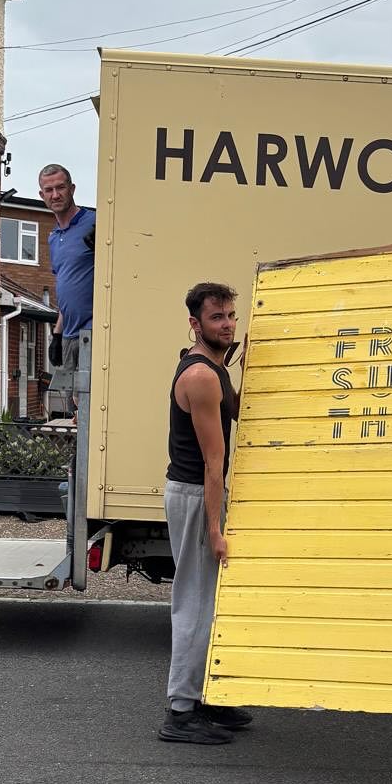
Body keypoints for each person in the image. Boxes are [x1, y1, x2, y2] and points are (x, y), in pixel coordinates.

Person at [159, 282, 252, 744]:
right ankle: (180, 712)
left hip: (201, 491)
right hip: (197, 494)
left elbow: (236, 411)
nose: (228, 324)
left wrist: (241, 360)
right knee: (194, 599)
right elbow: (213, 464)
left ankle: (207, 697)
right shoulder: (200, 376)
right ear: (196, 324)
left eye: (232, 315)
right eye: (217, 318)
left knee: (211, 600)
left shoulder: (215, 368)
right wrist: (215, 530)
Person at [39, 163, 95, 415]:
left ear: (72, 189)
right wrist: (57, 334)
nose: (55, 195)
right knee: (76, 405)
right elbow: (65, 289)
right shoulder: (54, 238)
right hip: (70, 335)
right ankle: (81, 454)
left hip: (92, 332)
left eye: (60, 187)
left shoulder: (94, 223)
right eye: (48, 190)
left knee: (90, 402)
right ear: (42, 196)